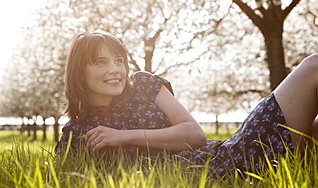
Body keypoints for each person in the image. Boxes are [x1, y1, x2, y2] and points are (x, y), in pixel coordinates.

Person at [55, 31, 318, 177]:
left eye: (119, 60)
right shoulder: (76, 134)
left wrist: (122, 137)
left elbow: (195, 135)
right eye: (100, 62)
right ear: (79, 73)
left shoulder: (144, 85)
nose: (115, 70)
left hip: (227, 156)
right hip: (220, 175)